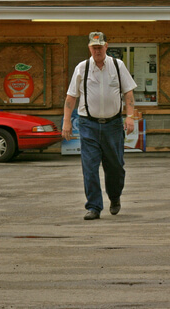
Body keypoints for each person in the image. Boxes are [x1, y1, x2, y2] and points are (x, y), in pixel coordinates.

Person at [62, 32, 137, 220]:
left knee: (116, 167)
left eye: (100, 47)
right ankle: (94, 207)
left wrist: (130, 117)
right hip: (88, 125)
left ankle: (115, 196)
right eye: (94, 47)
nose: (97, 50)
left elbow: (128, 93)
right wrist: (66, 122)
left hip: (113, 125)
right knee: (90, 167)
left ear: (106, 46)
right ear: (89, 48)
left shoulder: (118, 66)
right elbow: (71, 97)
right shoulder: (82, 68)